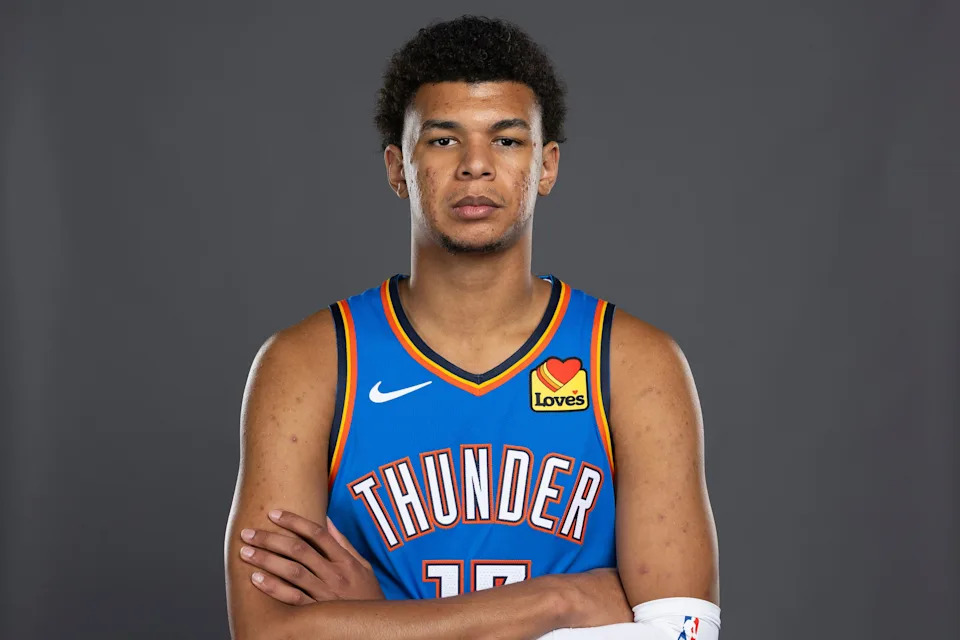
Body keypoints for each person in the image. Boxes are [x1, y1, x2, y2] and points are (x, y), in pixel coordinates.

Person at [224, 15, 720, 640]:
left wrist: (377, 622)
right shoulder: (309, 363)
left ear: (547, 166)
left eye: (508, 140)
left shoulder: (633, 362)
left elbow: (681, 633)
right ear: (397, 167)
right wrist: (558, 602)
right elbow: (267, 634)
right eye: (442, 140)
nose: (476, 166)